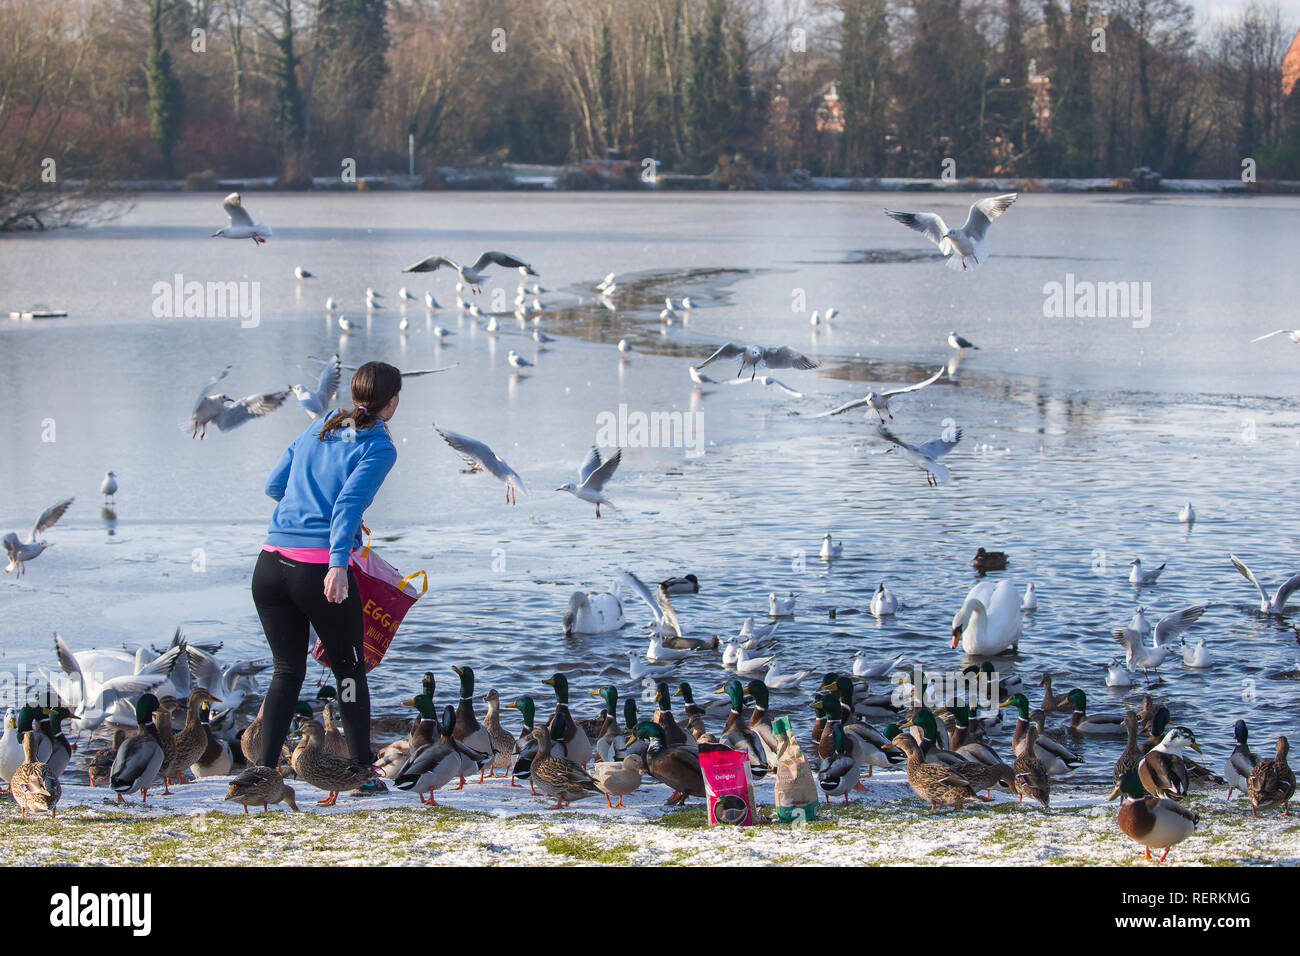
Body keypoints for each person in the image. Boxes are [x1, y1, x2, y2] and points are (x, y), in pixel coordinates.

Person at [251, 361, 401, 790]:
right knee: (350, 670)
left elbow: (274, 487)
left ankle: (263, 770)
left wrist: (302, 506)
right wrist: (338, 563)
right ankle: (361, 773)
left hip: (269, 565)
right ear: (392, 402)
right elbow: (348, 505)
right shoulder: (378, 446)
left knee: (286, 670)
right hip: (318, 570)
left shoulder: (318, 427)